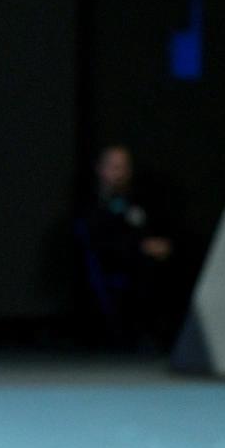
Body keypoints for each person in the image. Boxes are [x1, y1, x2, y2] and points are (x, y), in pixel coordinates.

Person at [77, 145, 178, 350]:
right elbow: (100, 245)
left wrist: (157, 246)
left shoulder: (137, 203)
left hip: (144, 265)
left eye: (123, 167)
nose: (119, 174)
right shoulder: (89, 206)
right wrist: (140, 248)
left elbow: (148, 231)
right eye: (114, 167)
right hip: (112, 268)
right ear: (100, 169)